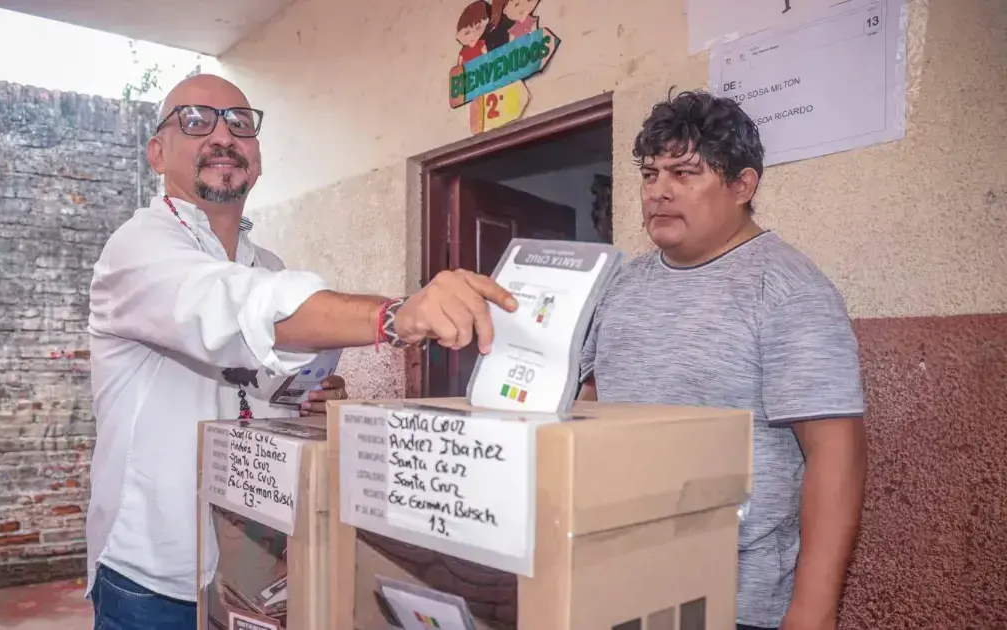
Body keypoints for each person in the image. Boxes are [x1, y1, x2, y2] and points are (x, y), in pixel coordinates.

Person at [84, 74, 517, 630]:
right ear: (157, 152)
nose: (223, 136)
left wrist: (306, 401)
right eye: (196, 120)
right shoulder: (137, 248)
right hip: (156, 579)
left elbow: (262, 370)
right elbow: (225, 305)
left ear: (257, 159)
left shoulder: (270, 267)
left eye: (240, 123)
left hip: (251, 565)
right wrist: (394, 315)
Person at [579, 90, 867, 630]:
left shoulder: (785, 288)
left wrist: (813, 609)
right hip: (618, 581)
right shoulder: (621, 285)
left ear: (742, 185)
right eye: (650, 174)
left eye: (684, 173)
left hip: (736, 601)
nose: (659, 191)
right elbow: (588, 401)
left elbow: (836, 453)